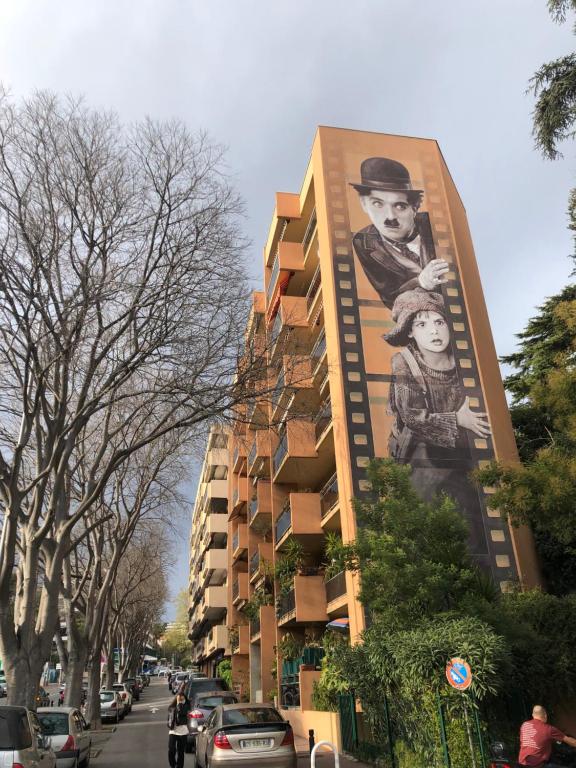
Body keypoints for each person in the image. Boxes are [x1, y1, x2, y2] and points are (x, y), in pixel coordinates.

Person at [385, 288, 491, 558]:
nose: (433, 331)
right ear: (410, 332)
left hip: (467, 457)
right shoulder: (404, 362)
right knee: (433, 530)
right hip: (425, 461)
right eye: (421, 324)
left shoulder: (464, 358)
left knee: (477, 527)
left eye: (439, 322)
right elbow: (411, 415)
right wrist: (457, 419)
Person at [350, 156, 450, 309]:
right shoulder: (364, 242)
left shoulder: (436, 226)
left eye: (400, 206)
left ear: (415, 207)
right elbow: (390, 299)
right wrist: (421, 282)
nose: (390, 217)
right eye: (377, 204)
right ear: (364, 203)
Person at [168, 689, 191, 768]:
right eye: (179, 697)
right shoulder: (172, 706)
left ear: (184, 698)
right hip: (173, 731)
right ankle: (173, 764)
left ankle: (179, 766)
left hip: (183, 732)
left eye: (182, 697)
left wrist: (179, 703)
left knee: (180, 751)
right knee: (171, 749)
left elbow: (181, 712)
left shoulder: (186, 706)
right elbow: (169, 717)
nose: (180, 698)